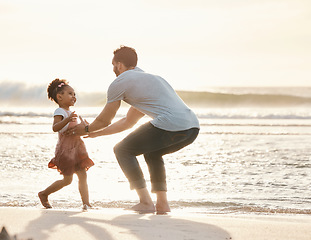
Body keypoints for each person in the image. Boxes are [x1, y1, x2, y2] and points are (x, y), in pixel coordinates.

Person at [67, 46, 200, 214]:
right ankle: (162, 204)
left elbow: (105, 120)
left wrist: (85, 128)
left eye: (113, 65)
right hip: (192, 128)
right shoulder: (147, 80)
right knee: (153, 153)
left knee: (122, 150)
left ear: (120, 65)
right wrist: (95, 133)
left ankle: (145, 202)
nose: (113, 69)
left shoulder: (120, 82)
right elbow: (127, 122)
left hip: (170, 124)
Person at [38, 78, 94, 210]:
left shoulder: (71, 113)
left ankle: (86, 203)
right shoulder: (60, 112)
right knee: (67, 180)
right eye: (70, 94)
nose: (74, 97)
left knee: (83, 176)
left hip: (78, 149)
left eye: (74, 94)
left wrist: (84, 126)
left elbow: (74, 131)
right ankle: (44, 194)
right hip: (66, 151)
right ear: (59, 96)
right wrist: (67, 120)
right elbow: (55, 127)